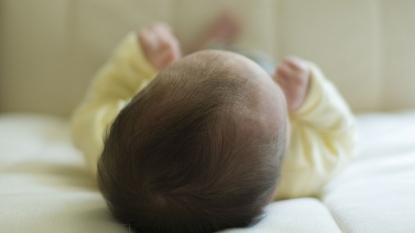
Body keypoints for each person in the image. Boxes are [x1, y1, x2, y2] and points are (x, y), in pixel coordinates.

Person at [71, 11, 355, 233]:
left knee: (210, 80)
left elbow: (96, 105)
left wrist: (139, 63)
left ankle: (204, 50)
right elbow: (340, 137)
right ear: (273, 191)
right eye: (277, 100)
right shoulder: (300, 168)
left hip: (212, 84)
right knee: (251, 67)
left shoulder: (117, 152)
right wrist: (311, 97)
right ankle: (213, 51)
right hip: (266, 71)